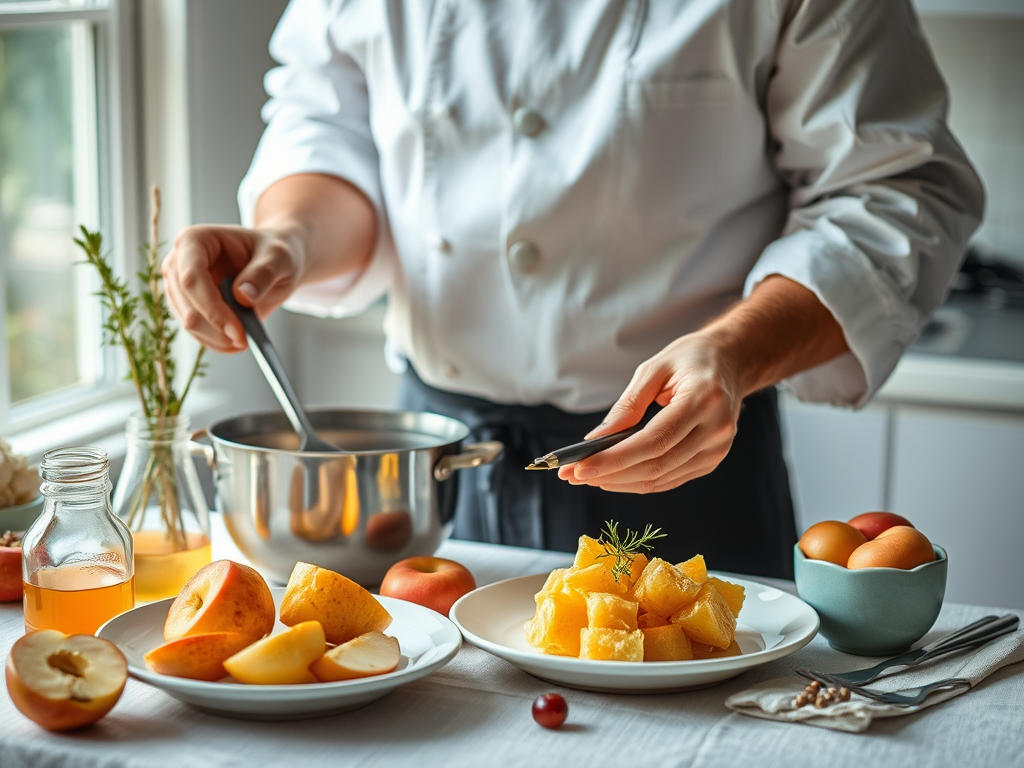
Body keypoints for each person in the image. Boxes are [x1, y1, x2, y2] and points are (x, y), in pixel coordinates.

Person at [163, 0, 983, 578]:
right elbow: (331, 128)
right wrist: (288, 240)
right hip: (432, 486)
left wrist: (732, 351)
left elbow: (896, 194)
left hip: (687, 472)